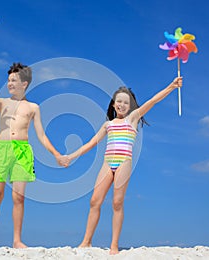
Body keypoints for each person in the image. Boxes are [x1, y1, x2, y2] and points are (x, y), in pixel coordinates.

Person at [63, 77, 183, 254]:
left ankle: (114, 245)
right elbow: (91, 143)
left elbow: (153, 101)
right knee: (94, 201)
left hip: (124, 162)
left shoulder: (133, 119)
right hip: (107, 163)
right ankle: (86, 241)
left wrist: (172, 86)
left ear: (131, 106)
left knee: (117, 203)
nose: (122, 104)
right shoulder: (108, 124)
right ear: (113, 104)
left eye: (126, 102)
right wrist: (70, 157)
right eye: (119, 101)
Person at [0, 62, 65, 249]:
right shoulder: (2, 102)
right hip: (2, 150)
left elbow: (41, 135)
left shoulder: (33, 107)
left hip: (22, 151)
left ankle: (17, 240)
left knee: (18, 198)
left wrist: (56, 154)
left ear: (25, 84)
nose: (9, 83)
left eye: (13, 80)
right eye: (8, 80)